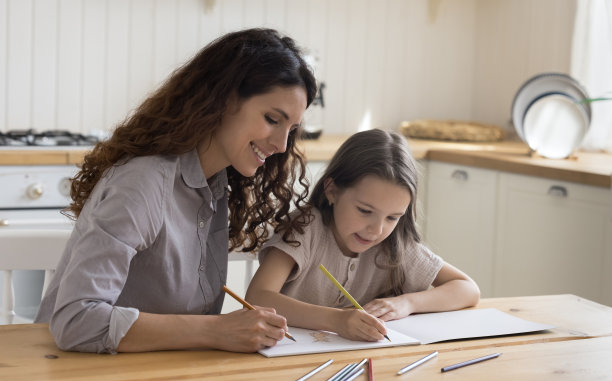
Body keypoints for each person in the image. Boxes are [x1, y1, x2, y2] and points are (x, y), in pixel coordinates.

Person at [35, 28, 317, 354]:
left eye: (291, 130)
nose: (282, 145)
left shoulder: (215, 188)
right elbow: (76, 320)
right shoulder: (144, 181)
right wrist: (217, 330)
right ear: (224, 99)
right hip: (71, 376)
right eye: (272, 119)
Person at [245, 129, 480, 342]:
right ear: (332, 190)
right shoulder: (305, 229)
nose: (377, 230)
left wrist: (407, 303)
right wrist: (337, 320)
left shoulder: (394, 243)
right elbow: (258, 296)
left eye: (392, 217)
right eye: (365, 211)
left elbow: (467, 289)